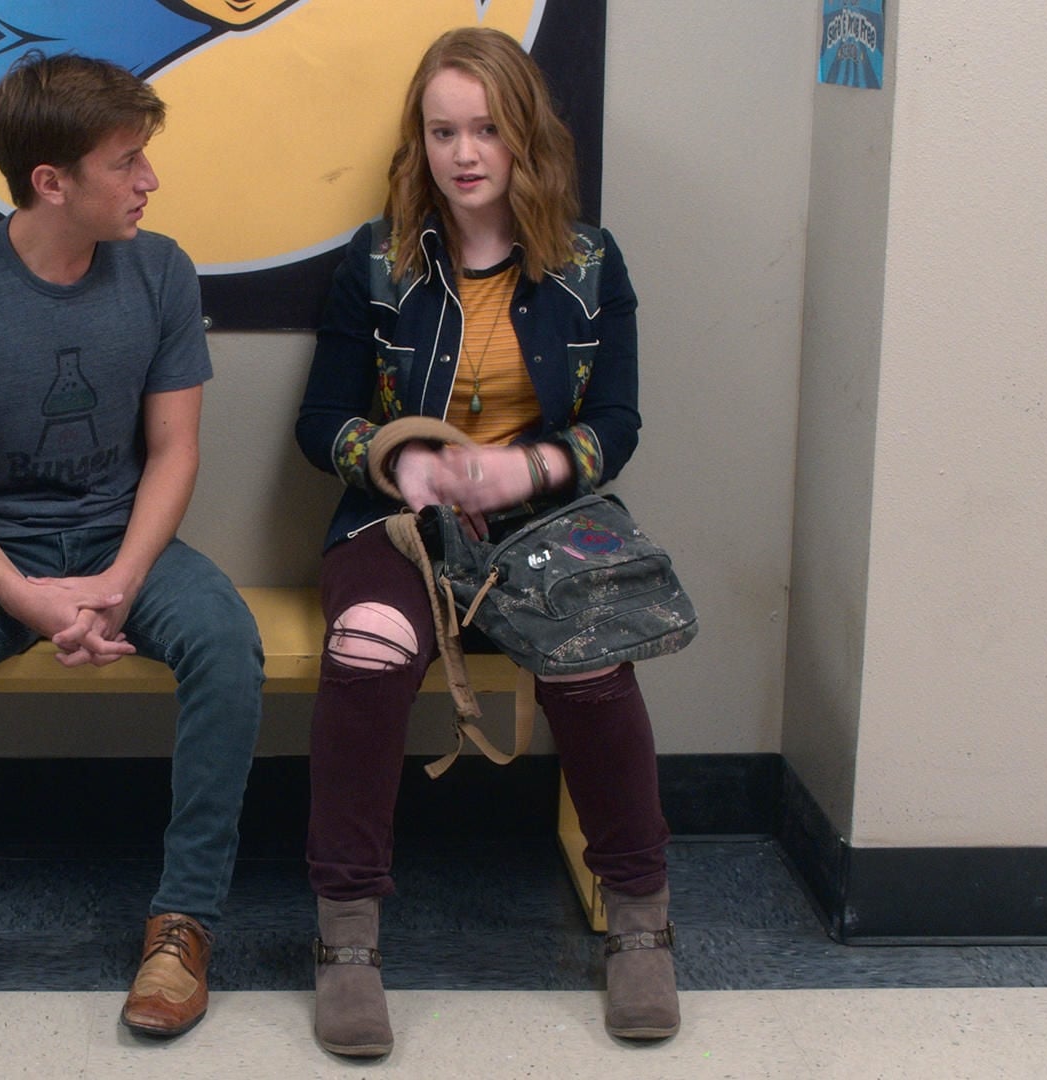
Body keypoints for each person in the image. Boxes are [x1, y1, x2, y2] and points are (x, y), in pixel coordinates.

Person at [293, 27, 678, 1055]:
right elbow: (320, 420)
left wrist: (529, 468)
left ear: (525, 137)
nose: (464, 153)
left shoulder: (589, 263)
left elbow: (619, 423)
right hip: (401, 521)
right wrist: (401, 461)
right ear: (419, 142)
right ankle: (347, 939)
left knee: (591, 657)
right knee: (367, 644)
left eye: (486, 129)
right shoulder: (376, 261)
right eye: (442, 132)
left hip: (543, 522)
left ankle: (640, 919)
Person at [0, 52, 264, 1037]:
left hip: (123, 539)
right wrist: (22, 594)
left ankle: (184, 921)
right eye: (127, 162)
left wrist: (121, 579)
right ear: (51, 181)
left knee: (228, 644)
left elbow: (176, 450)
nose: (149, 180)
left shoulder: (162, 271)